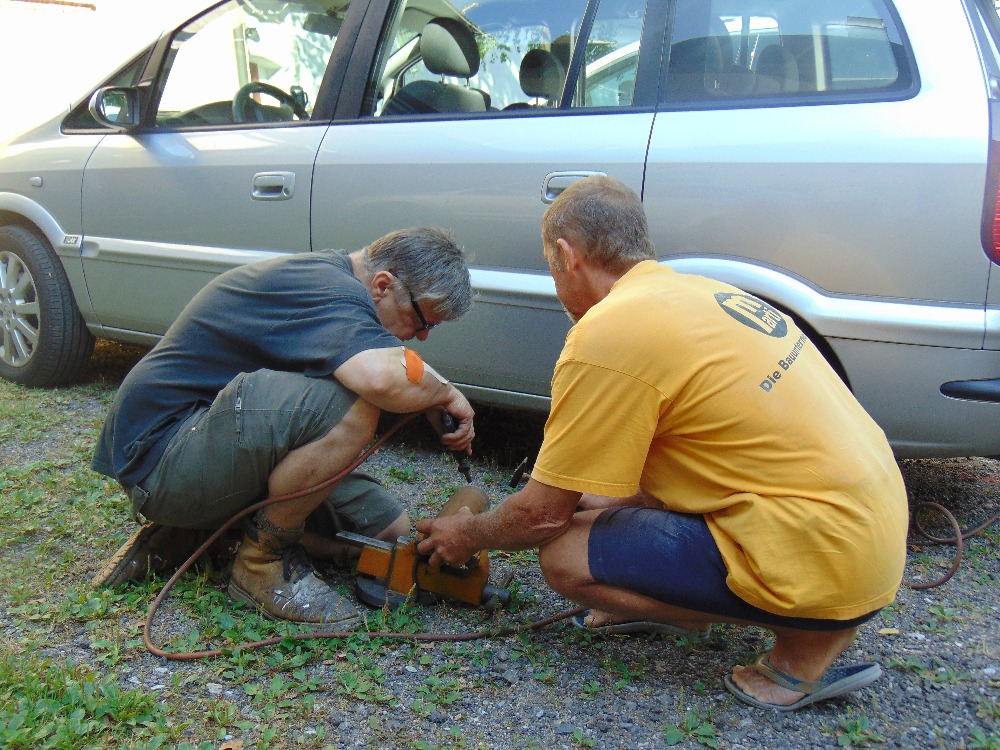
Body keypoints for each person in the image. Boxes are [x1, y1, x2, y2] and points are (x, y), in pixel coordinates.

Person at [416, 176, 909, 711]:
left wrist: (467, 535)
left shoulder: (609, 334)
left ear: (566, 255)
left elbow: (541, 517)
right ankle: (811, 618)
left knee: (564, 553)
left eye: (551, 266)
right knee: (599, 506)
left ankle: (803, 648)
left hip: (826, 554)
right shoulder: (702, 292)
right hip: (872, 531)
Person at [92, 227, 476, 630]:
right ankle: (261, 561)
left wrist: (433, 392)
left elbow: (398, 369)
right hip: (163, 459)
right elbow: (380, 379)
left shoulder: (337, 284)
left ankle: (209, 531)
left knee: (386, 530)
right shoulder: (329, 289)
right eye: (421, 321)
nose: (422, 336)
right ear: (383, 285)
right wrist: (445, 394)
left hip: (202, 445)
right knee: (354, 404)